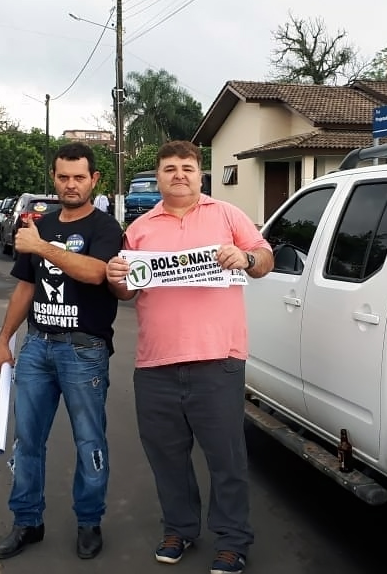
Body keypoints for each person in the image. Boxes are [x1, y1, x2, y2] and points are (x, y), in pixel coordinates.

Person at [104, 140, 272, 574]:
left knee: (226, 457)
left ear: (201, 175)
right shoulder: (139, 229)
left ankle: (232, 541)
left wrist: (247, 256)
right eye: (169, 168)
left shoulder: (227, 215)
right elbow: (126, 290)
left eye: (187, 168)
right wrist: (116, 277)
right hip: (156, 363)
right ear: (157, 176)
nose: (179, 174)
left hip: (218, 358)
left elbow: (265, 258)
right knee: (166, 455)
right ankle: (179, 528)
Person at [0, 142, 124, 562]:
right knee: (27, 441)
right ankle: (27, 521)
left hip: (84, 350)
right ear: (54, 177)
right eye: (63, 177)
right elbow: (26, 287)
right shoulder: (40, 225)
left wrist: (43, 247)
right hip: (37, 347)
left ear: (94, 180)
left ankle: (89, 521)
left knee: (90, 441)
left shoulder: (105, 228)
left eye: (79, 177)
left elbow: (97, 272)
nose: (70, 185)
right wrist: (4, 339)